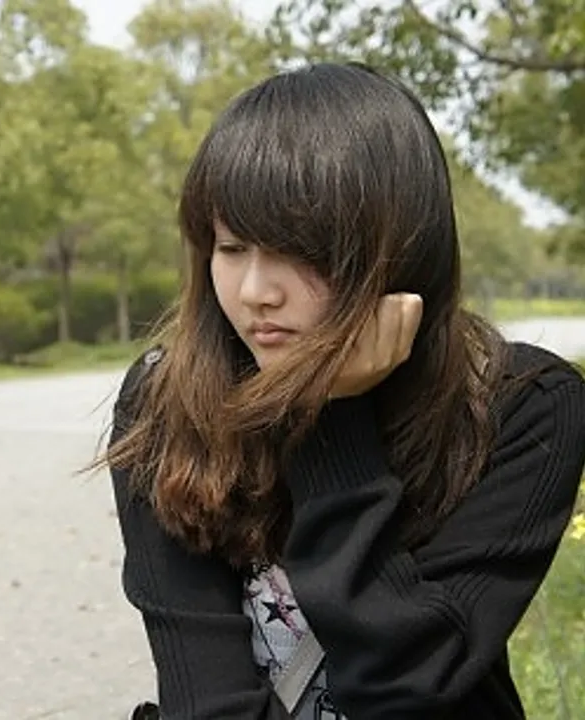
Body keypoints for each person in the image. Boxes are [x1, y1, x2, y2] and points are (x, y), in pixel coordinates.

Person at [93, 62, 585, 719]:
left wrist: (332, 414)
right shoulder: (169, 402)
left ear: (401, 249)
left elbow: (405, 687)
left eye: (297, 250)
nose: (255, 292)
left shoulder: (520, 407)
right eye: (232, 248)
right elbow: (208, 699)